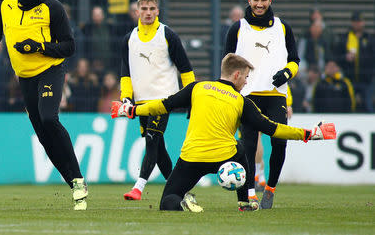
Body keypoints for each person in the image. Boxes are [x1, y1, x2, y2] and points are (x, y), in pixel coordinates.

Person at [111, 53, 336, 212]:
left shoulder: (197, 88)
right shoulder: (241, 101)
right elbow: (273, 128)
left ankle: (180, 203)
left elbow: (162, 104)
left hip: (191, 158)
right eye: (246, 77)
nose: (247, 82)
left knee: (167, 201)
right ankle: (246, 200)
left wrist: (131, 110)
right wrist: (310, 134)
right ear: (237, 75)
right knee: (242, 147)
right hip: (225, 158)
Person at [0, 0, 88, 210]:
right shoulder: (4, 3)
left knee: (49, 118)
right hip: (24, 77)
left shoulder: (53, 7)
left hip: (50, 70)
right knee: (41, 133)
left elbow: (69, 46)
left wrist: (39, 47)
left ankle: (79, 178)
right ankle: (74, 185)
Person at [223, 0, 301, 209]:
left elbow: (295, 60)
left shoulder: (283, 27)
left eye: (263, 0)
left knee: (279, 143)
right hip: (246, 96)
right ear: (248, 0)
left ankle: (270, 189)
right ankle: (249, 193)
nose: (259, 4)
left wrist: (287, 73)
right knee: (247, 145)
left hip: (276, 95)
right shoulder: (237, 28)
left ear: (270, 0)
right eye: (255, 0)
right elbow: (227, 64)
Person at [120, 0, 195, 201]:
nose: (148, 13)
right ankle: (180, 192)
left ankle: (138, 187)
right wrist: (126, 98)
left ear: (158, 11)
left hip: (164, 99)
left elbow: (185, 69)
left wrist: (192, 96)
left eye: (152, 9)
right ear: (137, 11)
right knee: (159, 148)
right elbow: (125, 73)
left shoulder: (167, 35)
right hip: (141, 102)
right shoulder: (129, 39)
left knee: (152, 141)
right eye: (144, 9)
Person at [340, 11, 374, 113]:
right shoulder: (345, 38)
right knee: (349, 106)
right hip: (349, 79)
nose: (357, 24)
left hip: (367, 80)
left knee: (368, 105)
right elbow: (337, 56)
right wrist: (345, 57)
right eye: (355, 21)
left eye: (359, 21)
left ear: (363, 23)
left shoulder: (369, 39)